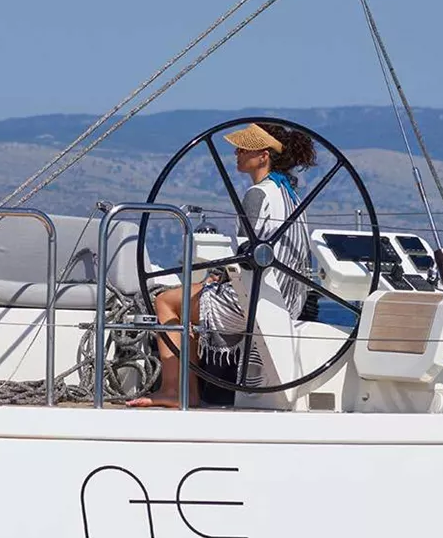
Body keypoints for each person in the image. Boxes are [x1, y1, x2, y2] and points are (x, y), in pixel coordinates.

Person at [129, 122, 317, 407]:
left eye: (244, 149)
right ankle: (187, 389)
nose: (237, 153)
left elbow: (246, 254)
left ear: (263, 155)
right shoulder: (291, 195)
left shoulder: (258, 194)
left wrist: (217, 277)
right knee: (192, 294)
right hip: (288, 300)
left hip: (253, 300)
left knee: (166, 301)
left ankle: (175, 390)